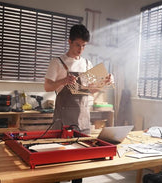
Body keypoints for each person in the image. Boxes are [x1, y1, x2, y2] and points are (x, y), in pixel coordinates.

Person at [44, 24, 112, 183]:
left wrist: (105, 83)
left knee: (80, 162)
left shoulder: (87, 64)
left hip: (82, 118)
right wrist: (63, 80)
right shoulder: (58, 62)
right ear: (69, 41)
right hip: (63, 119)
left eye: (83, 46)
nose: (80, 49)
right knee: (60, 159)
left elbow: (91, 91)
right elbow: (47, 87)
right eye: (77, 45)